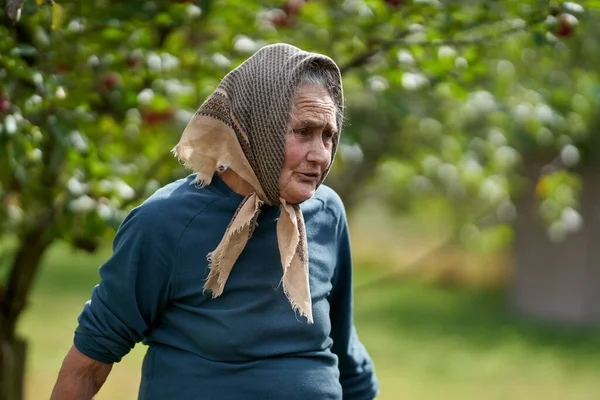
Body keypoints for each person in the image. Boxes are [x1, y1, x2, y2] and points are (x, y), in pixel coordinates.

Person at [50, 43, 378, 400]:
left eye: (328, 135)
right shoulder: (165, 222)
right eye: (303, 132)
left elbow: (343, 349)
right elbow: (87, 366)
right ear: (257, 124)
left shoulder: (326, 213)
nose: (320, 155)